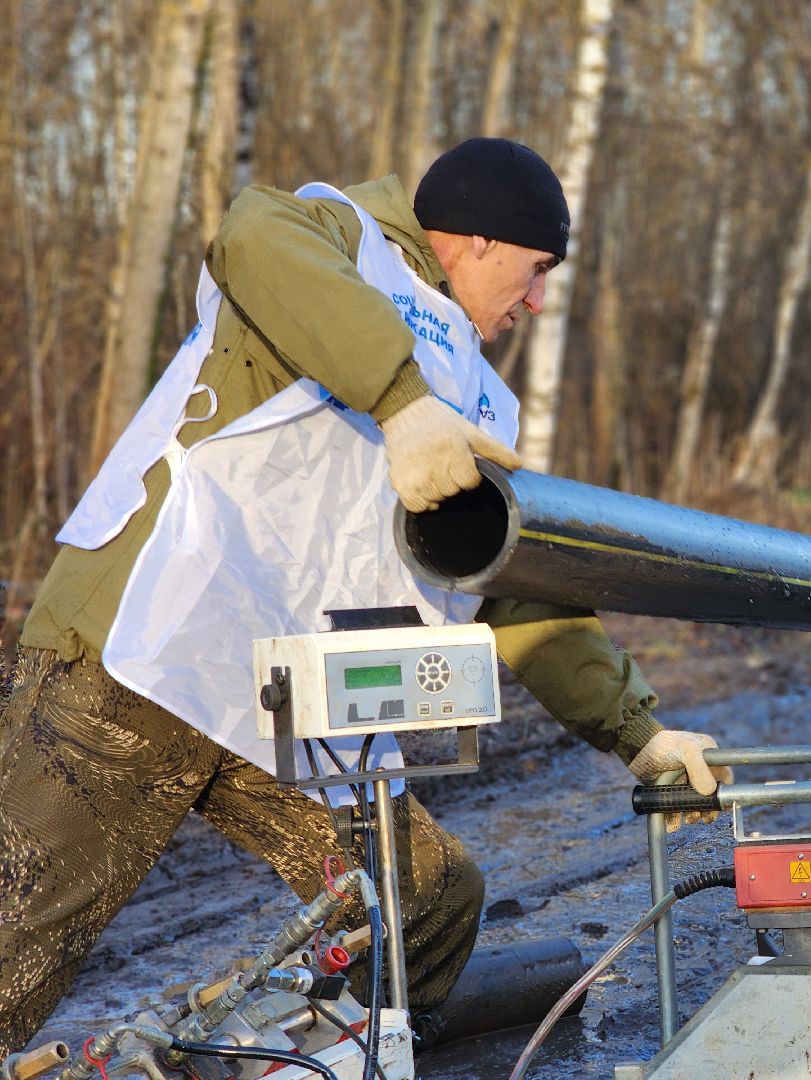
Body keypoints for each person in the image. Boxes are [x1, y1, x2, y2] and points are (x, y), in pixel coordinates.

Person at [0, 138, 728, 1055]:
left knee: (421, 899)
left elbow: (508, 583)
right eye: (537, 269)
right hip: (141, 648)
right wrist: (399, 399)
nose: (538, 300)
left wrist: (640, 734)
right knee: (13, 946)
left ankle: (284, 1061)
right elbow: (250, 232)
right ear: (475, 241)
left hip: (281, 702)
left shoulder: (483, 405)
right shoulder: (336, 239)